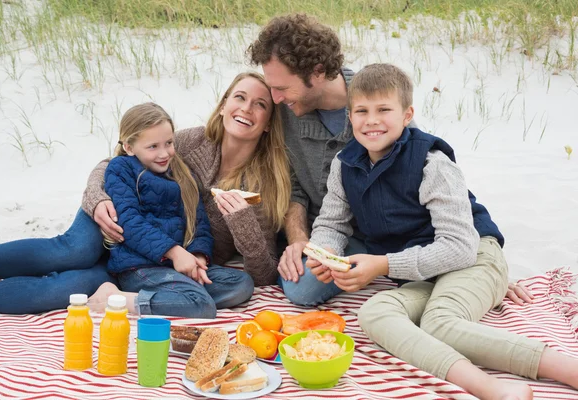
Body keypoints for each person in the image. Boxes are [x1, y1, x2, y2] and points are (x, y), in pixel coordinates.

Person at [305, 63, 578, 400]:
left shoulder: (431, 163)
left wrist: (383, 265)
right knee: (373, 313)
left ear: (407, 115)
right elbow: (332, 223)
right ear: (350, 117)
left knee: (439, 320)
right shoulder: (344, 165)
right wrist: (325, 253)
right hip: (423, 275)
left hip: (472, 257)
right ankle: (488, 386)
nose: (371, 120)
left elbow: (460, 247)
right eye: (361, 111)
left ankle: (566, 369)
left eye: (383, 110)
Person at [247, 13, 532, 307]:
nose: (275, 98)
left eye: (281, 88)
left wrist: (483, 267)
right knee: (301, 288)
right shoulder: (284, 111)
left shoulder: (376, 104)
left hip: (402, 228)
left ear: (317, 72)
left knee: (454, 265)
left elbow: (431, 179)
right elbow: (292, 185)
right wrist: (302, 242)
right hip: (340, 232)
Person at [83, 72, 291, 306]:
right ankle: (142, 299)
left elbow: (264, 275)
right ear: (223, 105)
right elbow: (115, 162)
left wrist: (239, 227)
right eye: (240, 97)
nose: (246, 108)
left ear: (269, 124)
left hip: (184, 264)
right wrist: (97, 199)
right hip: (121, 234)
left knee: (242, 285)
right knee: (73, 254)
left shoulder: (263, 185)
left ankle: (170, 299)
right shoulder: (190, 142)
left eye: (260, 104)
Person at [86, 102, 254, 318]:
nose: (164, 153)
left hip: (178, 264)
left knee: (242, 284)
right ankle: (118, 299)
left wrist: (197, 257)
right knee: (202, 305)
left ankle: (177, 300)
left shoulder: (183, 174)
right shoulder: (121, 169)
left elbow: (199, 222)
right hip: (140, 267)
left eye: (169, 143)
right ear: (129, 147)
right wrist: (175, 253)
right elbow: (129, 223)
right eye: (153, 147)